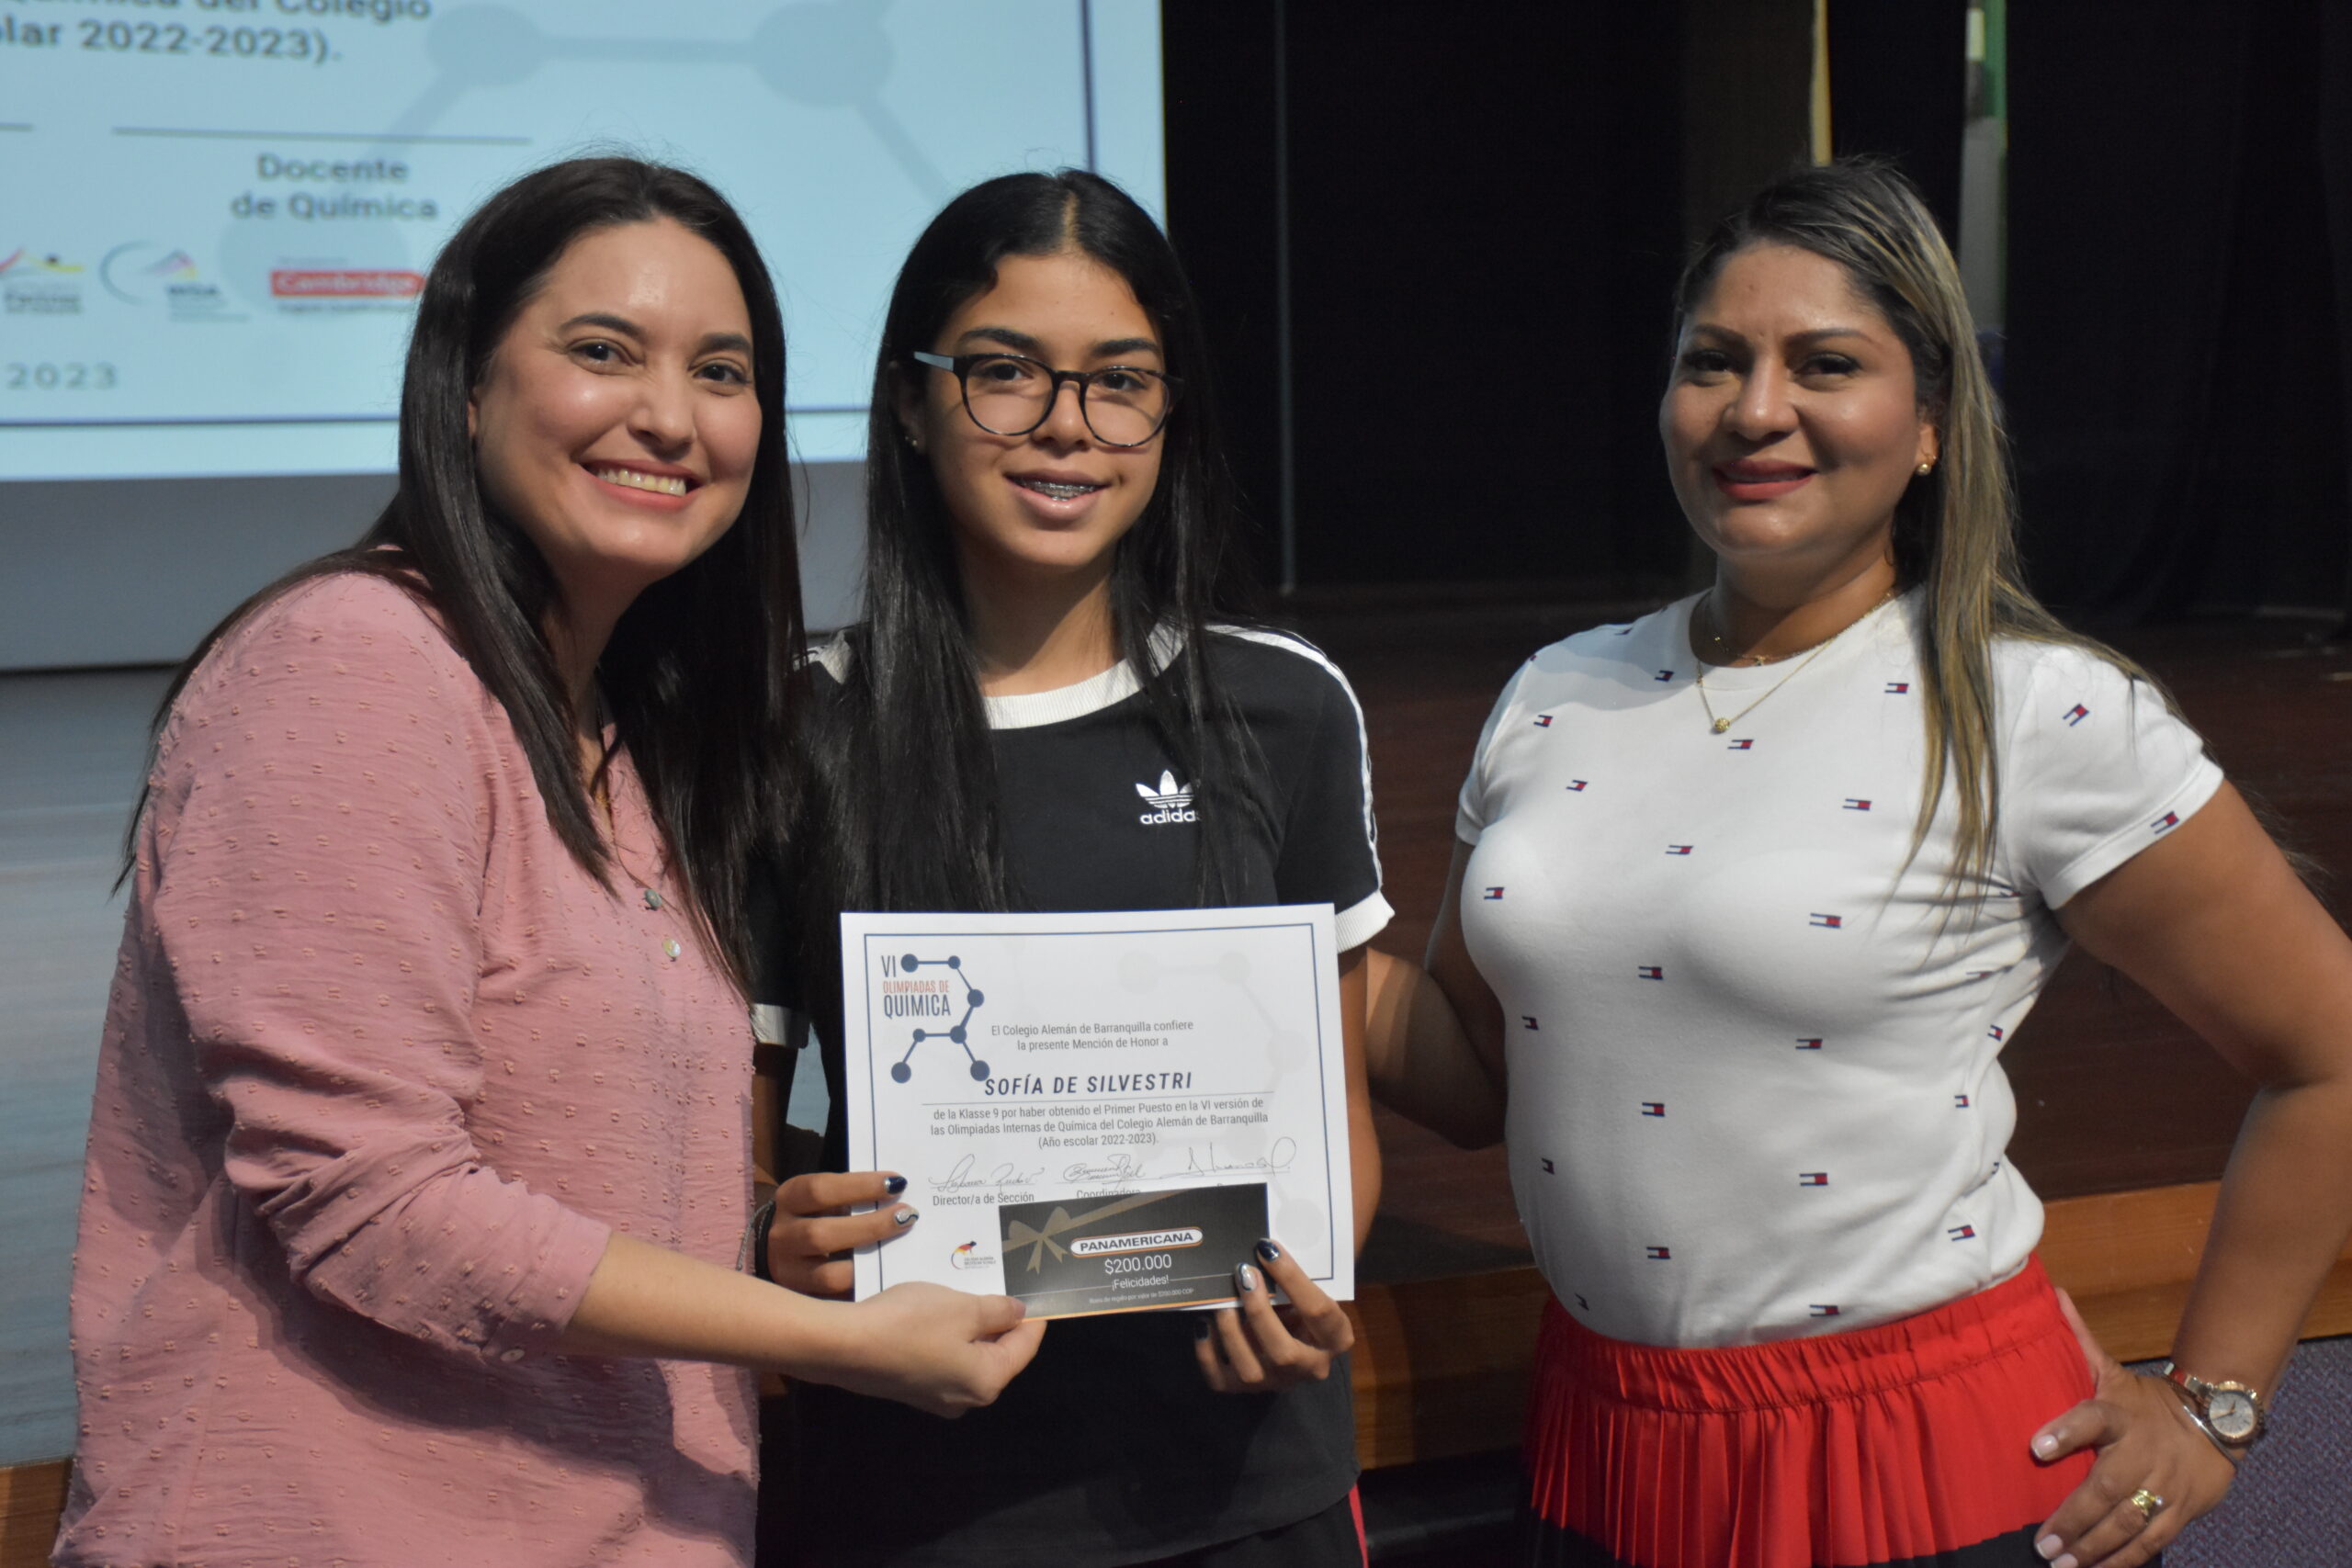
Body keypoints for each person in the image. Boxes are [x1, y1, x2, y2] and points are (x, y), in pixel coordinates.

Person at [1365, 158, 2352, 1568]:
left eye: (1824, 364)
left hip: (1928, 1461)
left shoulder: (2037, 711)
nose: (1755, 408)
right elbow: (1479, 1066)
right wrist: (1278, 944)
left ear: (1934, 422)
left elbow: (2330, 1053)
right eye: (1713, 361)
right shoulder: (1555, 692)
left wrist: (2214, 1408)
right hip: (1605, 1450)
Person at [55, 157, 1040, 1568]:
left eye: (721, 370)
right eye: (603, 351)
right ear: (466, 387)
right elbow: (374, 1203)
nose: (669, 414)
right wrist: (825, 1336)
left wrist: (762, 1230)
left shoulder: (630, 740)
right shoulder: (355, 662)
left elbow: (570, 1165)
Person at [752, 169, 1386, 1567]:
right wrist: (777, 1242)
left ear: (1170, 411)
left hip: (1247, 1487)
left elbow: (1334, 1127)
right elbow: (744, 1154)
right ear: (910, 402)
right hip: (925, 1499)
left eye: (1121, 382)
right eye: (1003, 373)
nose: (1066, 425)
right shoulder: (797, 730)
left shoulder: (1281, 708)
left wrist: (1313, 1291)